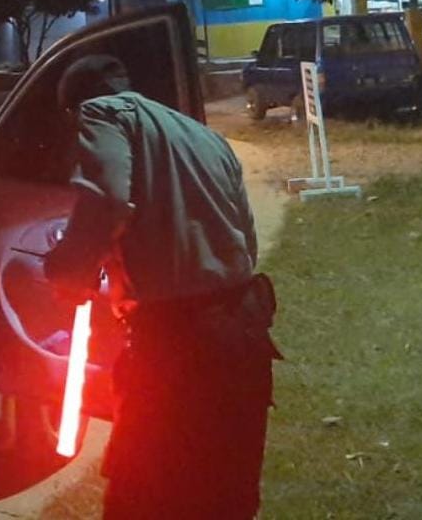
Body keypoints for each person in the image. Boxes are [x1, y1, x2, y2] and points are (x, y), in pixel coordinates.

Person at [43, 55, 279, 519]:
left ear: (74, 110)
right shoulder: (206, 137)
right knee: (225, 498)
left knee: (140, 497)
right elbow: (245, 244)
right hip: (243, 337)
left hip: (175, 349)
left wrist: (69, 271)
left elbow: (109, 199)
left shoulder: (102, 113)